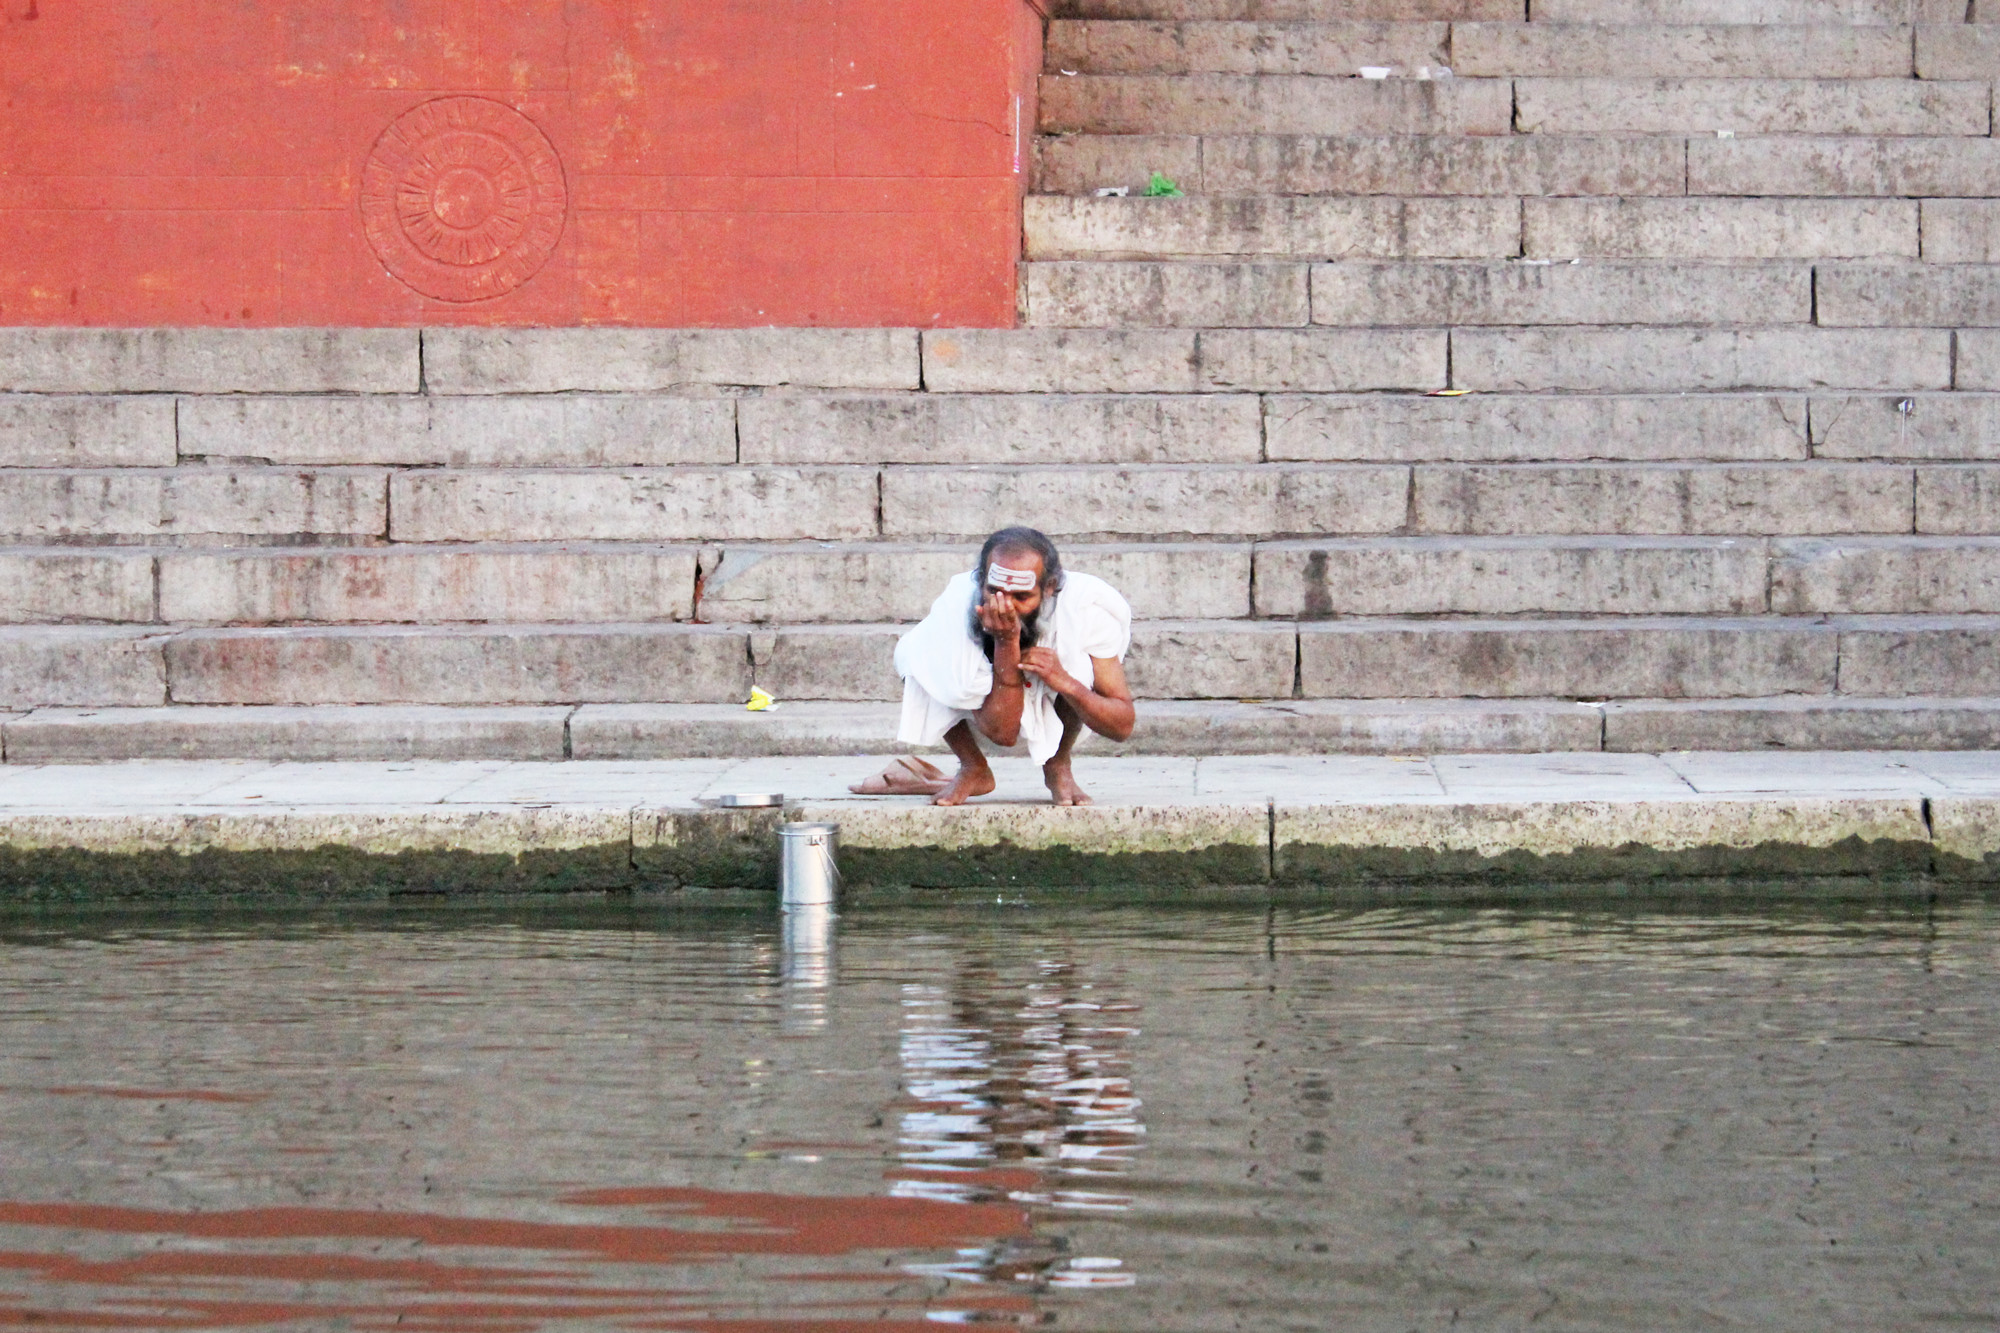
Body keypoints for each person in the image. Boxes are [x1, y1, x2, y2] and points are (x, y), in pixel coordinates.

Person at [850, 527, 1135, 806]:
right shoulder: (957, 605)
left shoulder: (1085, 608)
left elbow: (1121, 726)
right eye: (994, 591)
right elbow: (1003, 734)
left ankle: (1058, 763)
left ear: (1049, 589)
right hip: (985, 709)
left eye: (1021, 597)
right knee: (915, 652)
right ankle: (972, 766)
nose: (1005, 607)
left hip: (1055, 696)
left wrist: (1065, 682)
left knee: (1077, 666)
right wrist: (1006, 642)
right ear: (980, 581)